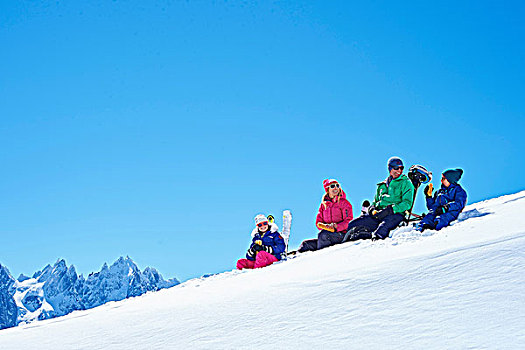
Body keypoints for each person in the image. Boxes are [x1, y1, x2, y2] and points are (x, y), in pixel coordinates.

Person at [345, 157, 414, 241]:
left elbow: (407, 203)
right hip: (378, 213)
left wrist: (390, 210)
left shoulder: (405, 182)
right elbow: (375, 201)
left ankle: (374, 242)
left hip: (395, 214)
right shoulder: (382, 185)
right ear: (390, 168)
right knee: (352, 224)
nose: (399, 170)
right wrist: (372, 209)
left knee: (382, 229)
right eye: (396, 168)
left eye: (401, 168)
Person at [297, 179, 354, 252]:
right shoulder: (323, 205)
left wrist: (336, 227)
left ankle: (322, 258)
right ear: (327, 189)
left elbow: (348, 221)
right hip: (327, 234)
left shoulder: (344, 203)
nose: (336, 188)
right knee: (306, 244)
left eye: (337, 185)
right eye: (332, 186)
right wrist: (324, 226)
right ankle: (294, 259)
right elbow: (318, 222)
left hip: (342, 235)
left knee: (323, 235)